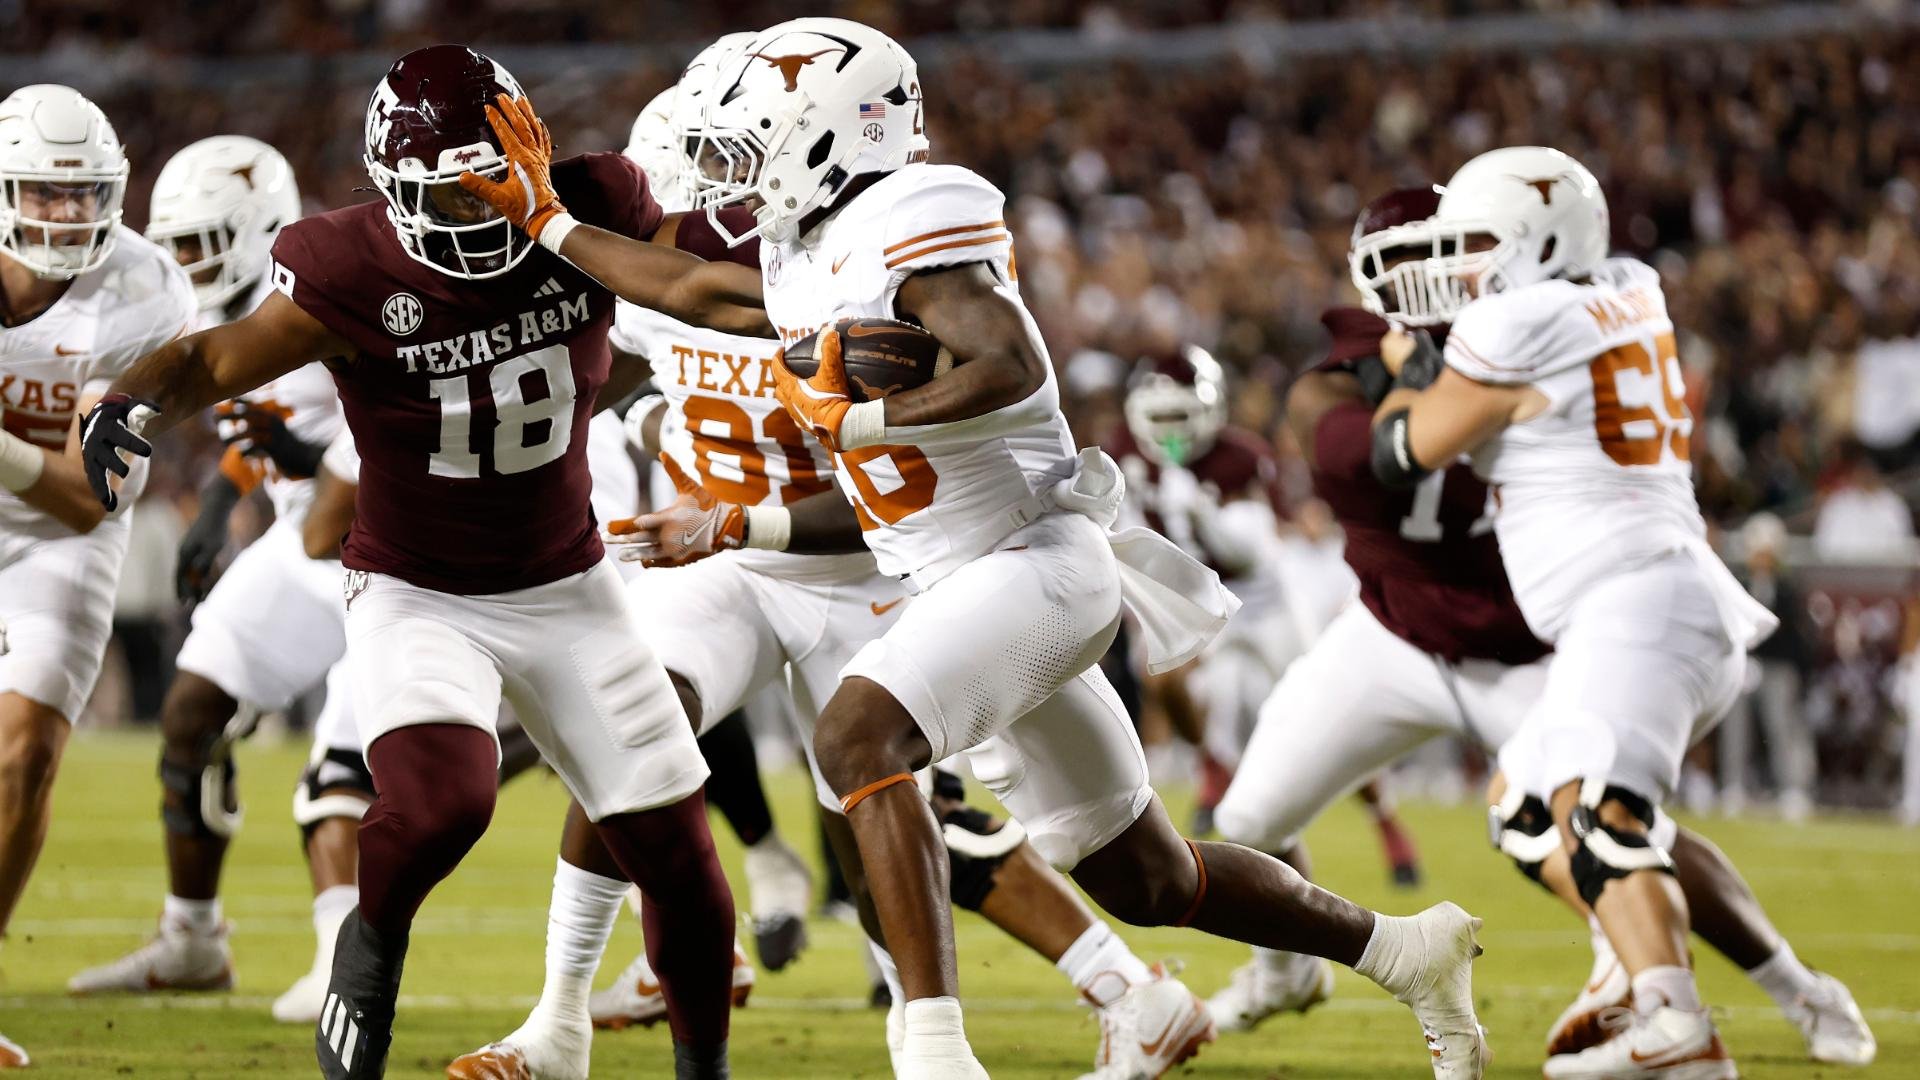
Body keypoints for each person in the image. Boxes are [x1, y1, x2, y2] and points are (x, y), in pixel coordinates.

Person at [458, 20, 1491, 1079]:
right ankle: (1405, 950)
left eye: (758, 139)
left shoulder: (913, 216)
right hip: (954, 581)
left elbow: (1011, 364)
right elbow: (683, 289)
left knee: (858, 741)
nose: (739, 172)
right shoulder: (806, 251)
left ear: (827, 135)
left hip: (1029, 562)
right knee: (1147, 878)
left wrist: (863, 423)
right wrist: (542, 216)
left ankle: (935, 1053)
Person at [448, 55, 1212, 1080]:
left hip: (859, 559)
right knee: (628, 717)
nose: (713, 182)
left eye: (728, 159)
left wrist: (765, 500)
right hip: (734, 559)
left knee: (893, 824)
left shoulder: (811, 274)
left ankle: (1121, 988)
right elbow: (614, 343)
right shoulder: (654, 286)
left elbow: (900, 463)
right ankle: (561, 1020)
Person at [78, 45, 766, 1080]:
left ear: (528, 156)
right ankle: (369, 948)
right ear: (395, 194)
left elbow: (717, 293)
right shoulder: (348, 264)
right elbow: (219, 356)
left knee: (686, 869)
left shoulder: (593, 202)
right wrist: (135, 394)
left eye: (494, 186)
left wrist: (553, 222)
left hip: (569, 584)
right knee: (444, 802)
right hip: (418, 588)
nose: (478, 218)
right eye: (449, 199)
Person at [1209, 187, 1874, 1070]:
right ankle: (1284, 970)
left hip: (1530, 648)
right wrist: (1415, 376)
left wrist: (1452, 377)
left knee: (1609, 824)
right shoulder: (1368, 361)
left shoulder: (1535, 326)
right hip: (1394, 634)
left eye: (1441, 251)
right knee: (1247, 814)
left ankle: (1783, 989)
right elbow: (1351, 454)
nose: (1427, 277)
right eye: (1403, 259)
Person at [1374, 146, 1782, 1078]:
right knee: (1527, 803)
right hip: (1645, 587)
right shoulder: (1629, 286)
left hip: (1633, 595)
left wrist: (1401, 369)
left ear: (1536, 241)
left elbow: (1407, 450)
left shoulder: (1518, 320)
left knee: (1600, 814)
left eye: (1478, 243)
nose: (1464, 264)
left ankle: (1674, 1025)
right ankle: (1627, 985)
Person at [64, 135, 356, 1017]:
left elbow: (384, 422)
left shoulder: (327, 296)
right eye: (176, 244)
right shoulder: (200, 312)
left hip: (393, 549)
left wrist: (312, 464)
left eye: (200, 243)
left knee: (346, 765)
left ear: (261, 228)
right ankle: (193, 939)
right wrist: (231, 499)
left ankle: (345, 964)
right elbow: (255, 420)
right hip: (308, 532)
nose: (184, 263)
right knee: (190, 711)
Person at [0, 83, 197, 1070]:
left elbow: (86, 498)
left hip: (60, 532)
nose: (67, 215)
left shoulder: (147, 292)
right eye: (45, 191)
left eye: (85, 195)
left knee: (26, 749)